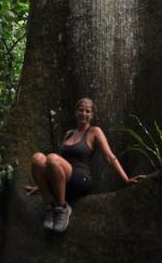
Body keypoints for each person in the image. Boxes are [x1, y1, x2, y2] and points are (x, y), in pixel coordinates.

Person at [29, 97, 143, 233]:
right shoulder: (69, 133)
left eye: (87, 111)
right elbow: (57, 162)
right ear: (76, 112)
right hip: (62, 178)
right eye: (81, 110)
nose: (84, 113)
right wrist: (41, 184)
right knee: (37, 158)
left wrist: (126, 179)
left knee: (52, 158)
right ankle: (50, 206)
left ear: (92, 115)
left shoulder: (94, 132)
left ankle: (62, 208)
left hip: (81, 179)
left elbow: (109, 156)